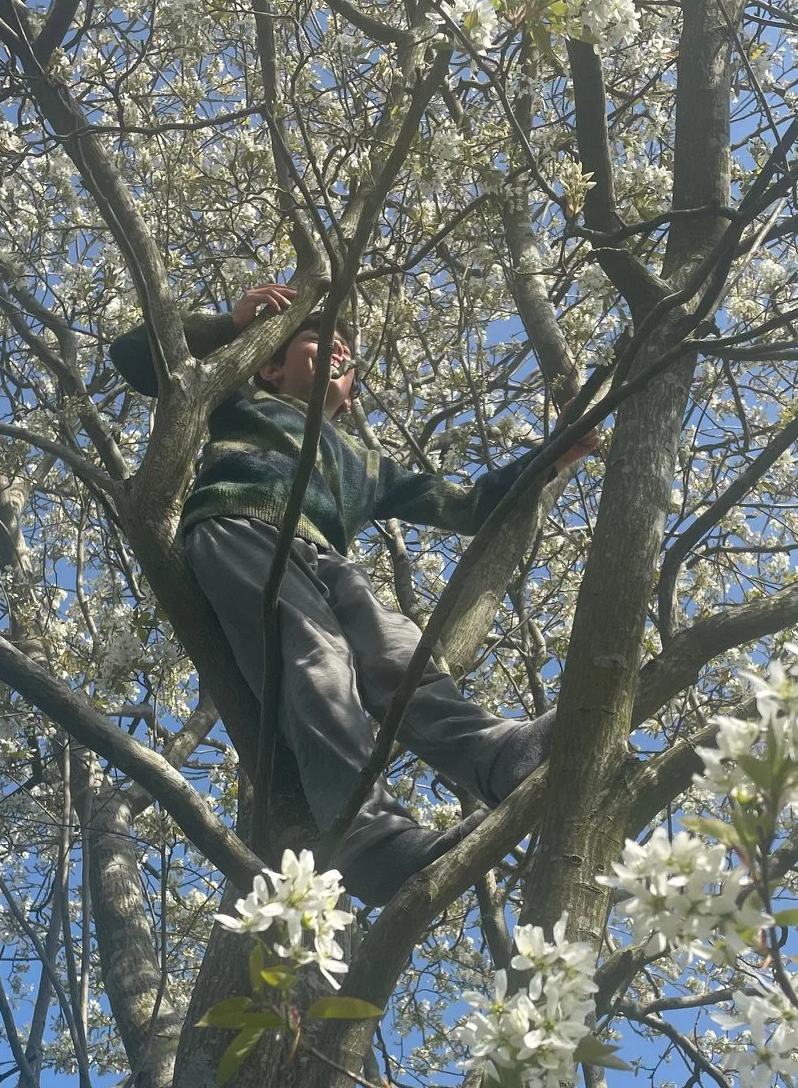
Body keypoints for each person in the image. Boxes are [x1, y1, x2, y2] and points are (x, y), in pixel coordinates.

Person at [111, 282, 594, 906]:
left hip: (325, 556)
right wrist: (233, 325)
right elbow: (136, 357)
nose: (340, 354)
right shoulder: (237, 397)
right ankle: (370, 842)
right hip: (242, 527)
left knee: (401, 654)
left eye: (349, 356)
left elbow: (471, 506)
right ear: (269, 364)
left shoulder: (367, 464)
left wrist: (560, 452)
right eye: (319, 341)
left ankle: (499, 756)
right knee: (318, 660)